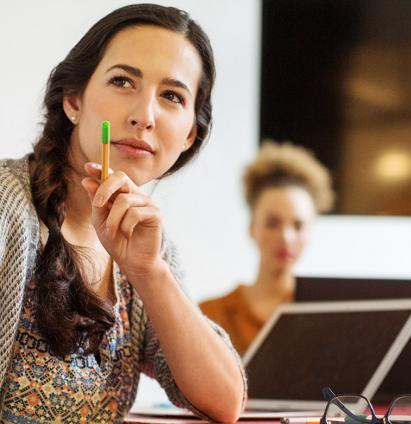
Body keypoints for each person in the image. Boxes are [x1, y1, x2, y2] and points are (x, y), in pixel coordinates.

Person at [0, 4, 245, 422]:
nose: (144, 116)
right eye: (122, 81)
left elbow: (224, 402)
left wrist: (150, 272)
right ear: (73, 100)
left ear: (189, 134)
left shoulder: (147, 243)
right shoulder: (8, 205)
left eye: (171, 96)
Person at [200, 141, 334, 354]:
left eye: (298, 225)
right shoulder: (210, 315)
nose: (286, 237)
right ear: (253, 228)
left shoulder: (327, 315)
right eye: (273, 223)